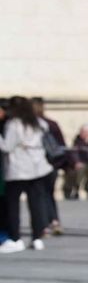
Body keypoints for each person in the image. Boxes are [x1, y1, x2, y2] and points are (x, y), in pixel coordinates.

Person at [0, 95, 54, 252]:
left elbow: (6, 147)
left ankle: (16, 238)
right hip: (37, 168)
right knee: (36, 205)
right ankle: (37, 237)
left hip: (18, 169)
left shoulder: (14, 124)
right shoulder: (38, 122)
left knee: (13, 205)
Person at [31, 97, 65, 236]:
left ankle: (44, 224)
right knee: (49, 194)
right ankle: (55, 220)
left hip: (38, 164)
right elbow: (61, 145)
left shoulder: (31, 125)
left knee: (39, 195)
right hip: (53, 164)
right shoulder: (52, 124)